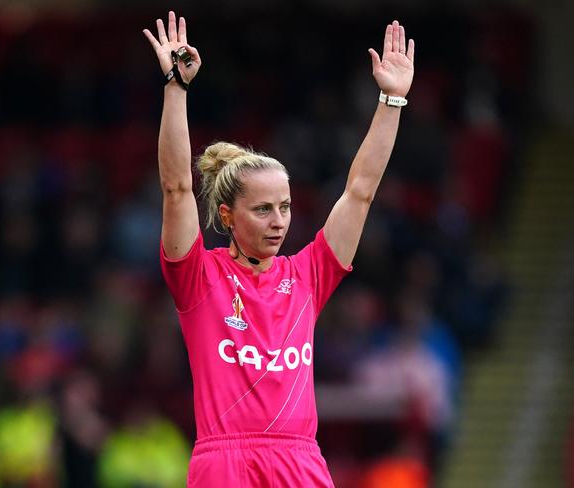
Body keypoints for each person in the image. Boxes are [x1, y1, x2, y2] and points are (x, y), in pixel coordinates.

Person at [143, 10, 414, 487]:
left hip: (298, 463)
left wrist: (391, 99)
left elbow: (360, 191)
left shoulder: (310, 273)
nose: (279, 221)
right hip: (223, 464)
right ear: (227, 216)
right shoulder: (197, 277)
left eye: (285, 207)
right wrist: (175, 88)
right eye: (263, 209)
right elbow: (177, 188)